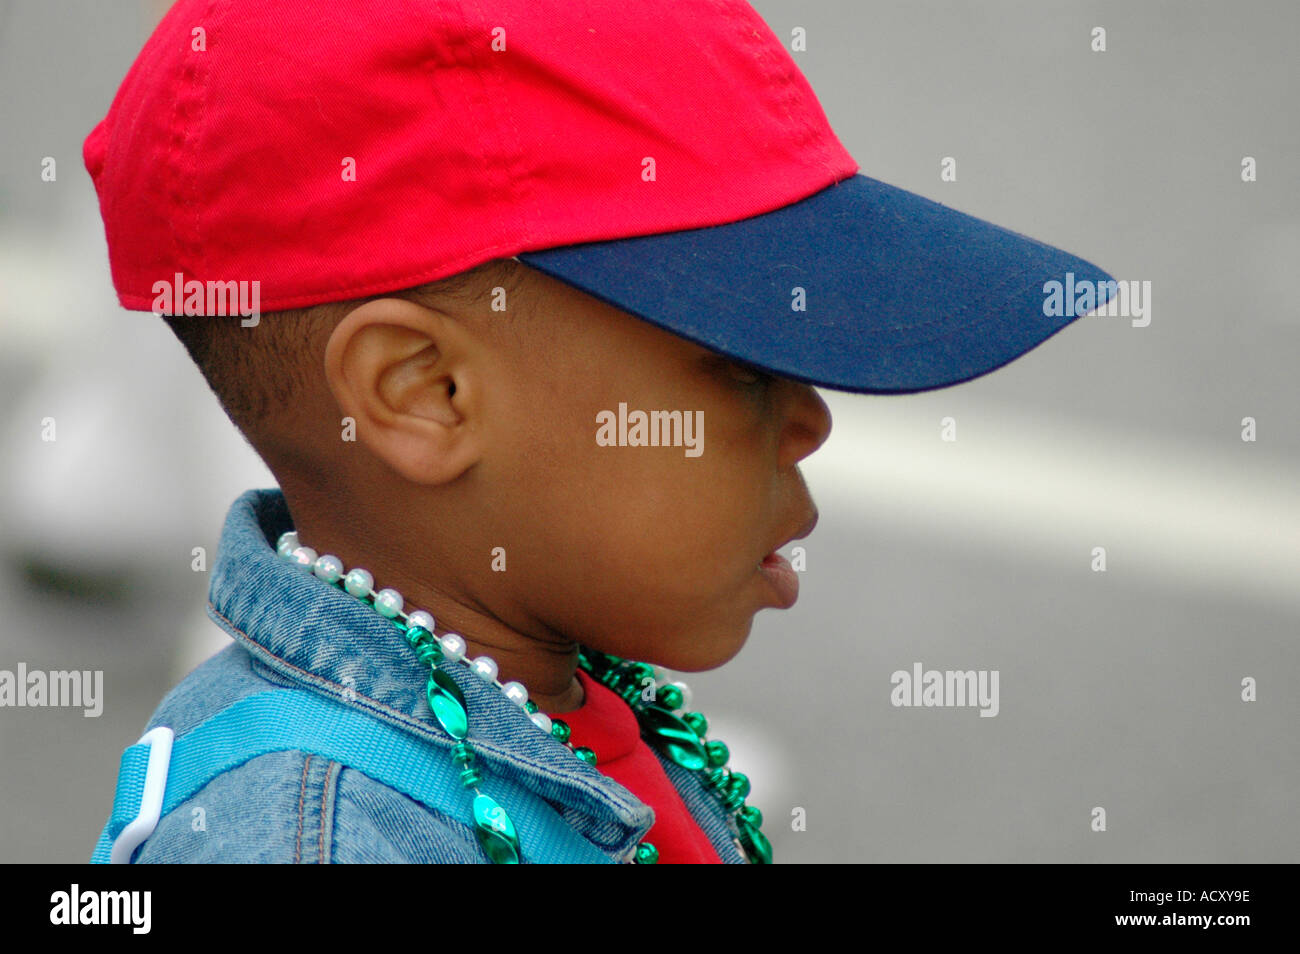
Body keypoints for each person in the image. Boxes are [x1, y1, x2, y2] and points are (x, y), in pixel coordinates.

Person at [83, 0, 1114, 864]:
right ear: (427, 392)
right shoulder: (316, 839)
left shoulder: (563, 702)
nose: (809, 419)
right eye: (740, 364)